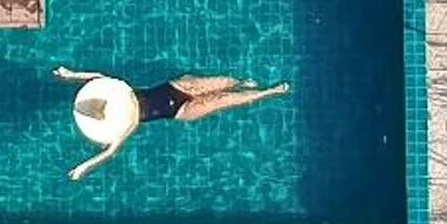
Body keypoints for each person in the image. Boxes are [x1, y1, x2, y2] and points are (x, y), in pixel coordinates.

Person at [52, 64, 291, 181]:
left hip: (174, 87)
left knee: (219, 82)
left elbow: (96, 77)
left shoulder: (114, 91)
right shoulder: (122, 128)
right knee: (224, 101)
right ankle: (267, 92)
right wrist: (84, 167)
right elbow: (109, 152)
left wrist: (71, 75)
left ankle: (239, 82)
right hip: (180, 110)